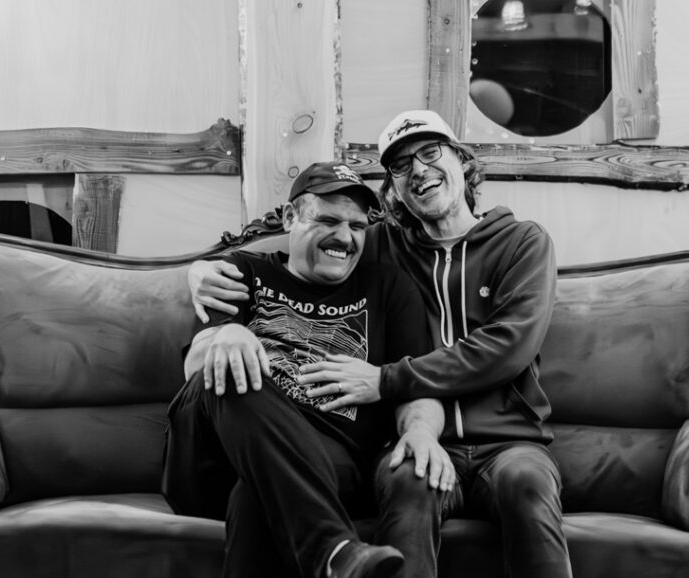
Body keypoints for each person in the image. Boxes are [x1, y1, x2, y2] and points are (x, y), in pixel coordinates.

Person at [187, 111, 570, 578]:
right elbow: (303, 238)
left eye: (431, 152)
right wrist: (201, 269)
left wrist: (386, 380)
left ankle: (334, 552)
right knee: (407, 479)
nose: (419, 170)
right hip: (407, 437)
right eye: (401, 165)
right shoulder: (384, 243)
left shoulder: (522, 242)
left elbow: (508, 347)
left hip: (508, 441)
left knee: (528, 484)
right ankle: (340, 555)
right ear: (394, 189)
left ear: (462, 161)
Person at [163, 160, 455, 578]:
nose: (345, 237)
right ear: (289, 217)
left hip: (326, 464)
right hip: (214, 457)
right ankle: (330, 549)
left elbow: (417, 386)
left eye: (357, 226)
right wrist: (225, 335)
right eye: (328, 221)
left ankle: (333, 553)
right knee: (231, 363)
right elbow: (195, 368)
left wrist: (421, 432)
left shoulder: (389, 288)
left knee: (259, 492)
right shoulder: (243, 271)